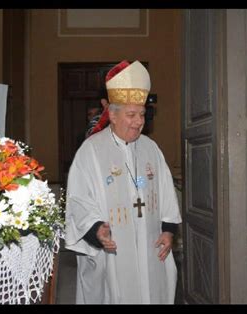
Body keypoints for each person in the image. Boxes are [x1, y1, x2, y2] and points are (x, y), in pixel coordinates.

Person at [65, 60, 182, 304]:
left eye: (141, 114)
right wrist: (97, 230)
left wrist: (169, 231)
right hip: (113, 251)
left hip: (151, 247)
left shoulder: (151, 149)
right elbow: (78, 201)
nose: (139, 121)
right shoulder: (91, 151)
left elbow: (166, 193)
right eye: (131, 115)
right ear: (113, 115)